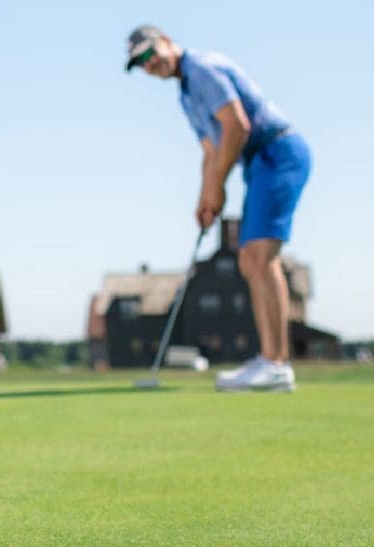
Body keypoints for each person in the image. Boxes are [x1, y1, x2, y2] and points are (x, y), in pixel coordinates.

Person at [125, 25, 312, 392]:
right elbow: (211, 151)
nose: (149, 64)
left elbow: (237, 126)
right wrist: (205, 197)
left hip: (278, 152)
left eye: (149, 54)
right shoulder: (185, 94)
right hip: (259, 163)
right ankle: (270, 361)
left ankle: (276, 365)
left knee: (260, 256)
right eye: (140, 63)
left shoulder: (201, 69)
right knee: (249, 260)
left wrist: (217, 185)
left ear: (166, 41)